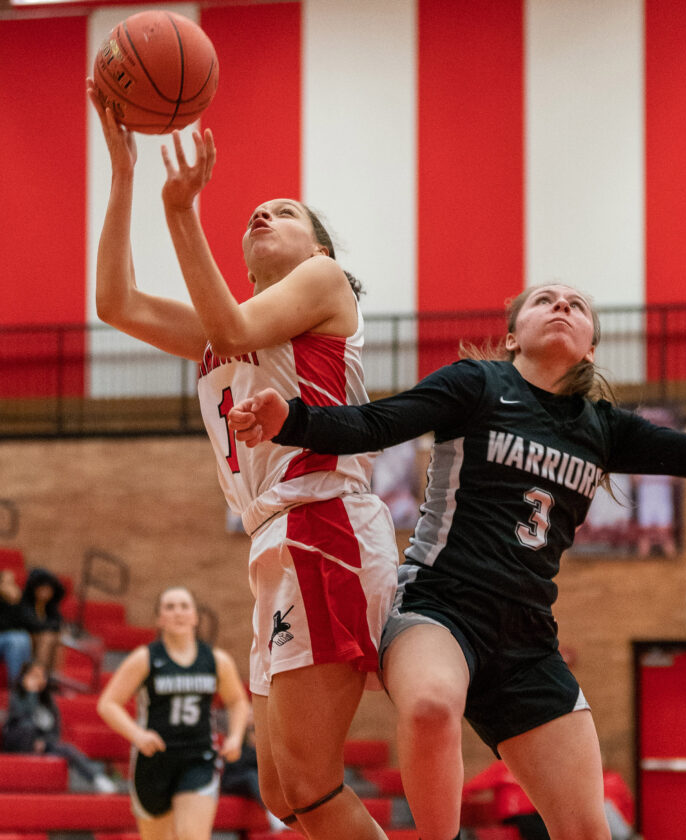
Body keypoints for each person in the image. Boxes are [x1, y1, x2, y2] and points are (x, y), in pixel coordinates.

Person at [227, 282, 686, 840]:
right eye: (544, 300)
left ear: (590, 345)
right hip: (440, 608)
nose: (561, 306)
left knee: (586, 828)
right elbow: (374, 423)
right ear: (512, 335)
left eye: (576, 306)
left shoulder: (601, 427)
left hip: (528, 640)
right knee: (428, 707)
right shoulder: (475, 385)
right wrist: (295, 420)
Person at [86, 80, 399, 840]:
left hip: (323, 521)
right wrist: (124, 171)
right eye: (255, 212)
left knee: (315, 788)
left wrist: (181, 209)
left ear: (318, 247)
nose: (263, 212)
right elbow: (116, 303)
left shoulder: (323, 283)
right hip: (272, 537)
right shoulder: (224, 325)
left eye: (286, 211)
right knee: (283, 796)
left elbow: (230, 330)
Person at [97, 586, 250, 840]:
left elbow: (236, 701)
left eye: (184, 606)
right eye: (169, 607)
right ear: (159, 618)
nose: (178, 612)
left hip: (198, 757)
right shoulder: (145, 658)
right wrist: (137, 734)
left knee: (192, 836)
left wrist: (235, 736)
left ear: (195, 617)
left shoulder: (216, 660)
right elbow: (108, 703)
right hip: (154, 760)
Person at [2, 661, 118, 793]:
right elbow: (21, 718)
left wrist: (44, 742)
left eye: (41, 676)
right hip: (19, 742)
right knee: (27, 726)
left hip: (44, 743)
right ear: (24, 677)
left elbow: (55, 730)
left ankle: (97, 777)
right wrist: (31, 693)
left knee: (68, 749)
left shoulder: (48, 700)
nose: (38, 680)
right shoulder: (17, 696)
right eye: (34, 676)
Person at [19, 567, 66, 672]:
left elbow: (58, 623)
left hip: (42, 637)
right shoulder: (25, 602)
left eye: (48, 589)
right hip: (25, 636)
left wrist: (48, 627)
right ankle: (38, 675)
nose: (46, 592)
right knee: (47, 638)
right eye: (43, 588)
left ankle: (55, 678)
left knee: (57, 639)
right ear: (35, 588)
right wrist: (48, 627)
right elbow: (32, 624)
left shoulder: (50, 606)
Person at [0, 569, 33, 689]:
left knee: (23, 637)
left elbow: (26, 623)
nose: (10, 586)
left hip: (10, 637)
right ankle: (15, 685)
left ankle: (25, 682)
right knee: (15, 640)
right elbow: (3, 625)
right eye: (6, 582)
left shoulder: (18, 600)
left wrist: (15, 603)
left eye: (12, 582)